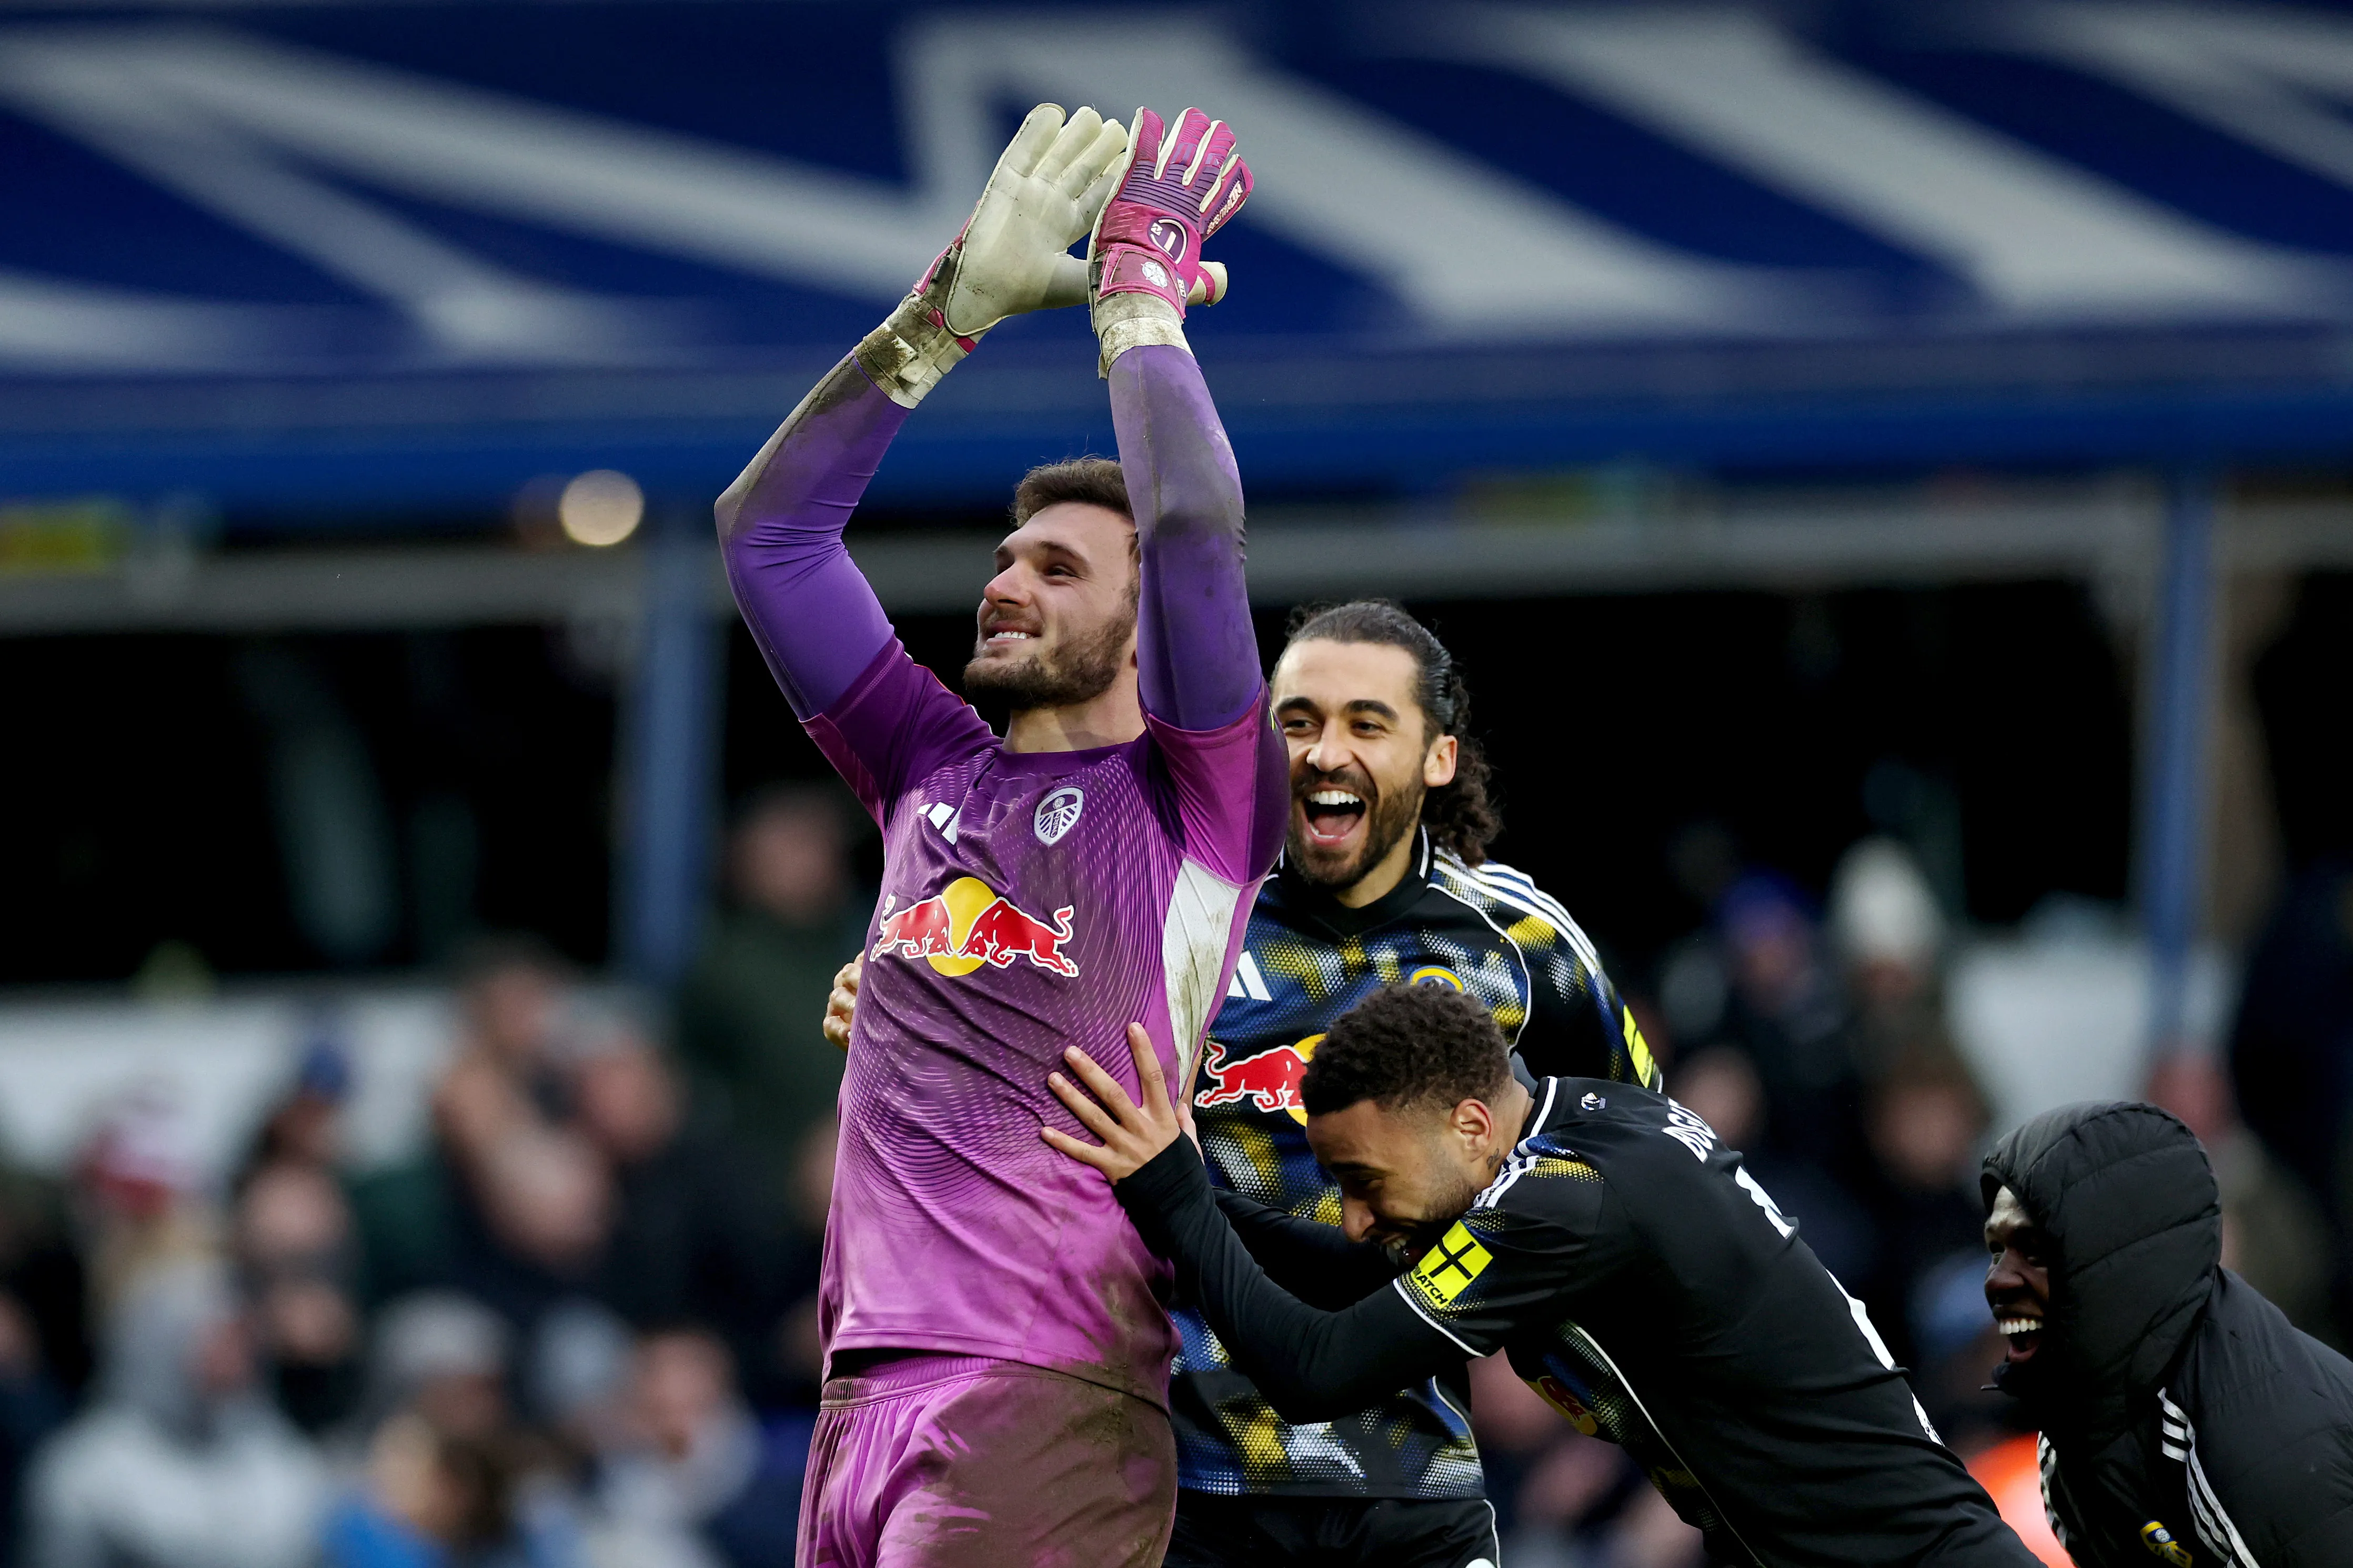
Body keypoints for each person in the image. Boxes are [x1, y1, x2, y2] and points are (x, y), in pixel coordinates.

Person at [716, 101, 1284, 1565]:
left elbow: (1198, 531)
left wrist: (1139, 302)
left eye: (1058, 564)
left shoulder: (1199, 798)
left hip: (1044, 1383)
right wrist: (946, 312)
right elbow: (767, 534)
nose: (1007, 583)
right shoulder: (925, 767)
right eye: (1003, 558)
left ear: (1143, 618)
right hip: (858, 1390)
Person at [823, 600, 1661, 1567]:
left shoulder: (1523, 945)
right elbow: (1004, 1053)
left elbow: (1637, 1176)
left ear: (1438, 758)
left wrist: (1597, 1392)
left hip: (1411, 1479)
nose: (1322, 752)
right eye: (1296, 722)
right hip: (1176, 1481)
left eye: (1365, 723)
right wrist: (903, 1007)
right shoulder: (1167, 908)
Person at [1045, 984, 2042, 1567]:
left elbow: (1320, 1365)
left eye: (1361, 1180)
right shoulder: (1579, 1129)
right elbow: (1357, 1269)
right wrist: (1187, 1198)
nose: (1352, 1213)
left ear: (1467, 1126)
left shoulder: (1564, 1201)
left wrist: (1175, 1194)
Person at [1982, 1101, 2353, 1566]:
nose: (1996, 1280)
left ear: (2117, 1261)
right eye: (1996, 1250)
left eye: (2034, 1251)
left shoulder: (2257, 1443)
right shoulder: (2073, 1437)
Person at [23, 1259, 329, 1568]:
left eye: (241, 1339)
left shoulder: (282, 1457)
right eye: (218, 1337)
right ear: (160, 1343)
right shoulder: (84, 1471)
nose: (236, 1356)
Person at [675, 786, 864, 1174]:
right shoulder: (726, 965)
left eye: (817, 844)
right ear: (748, 858)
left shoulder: (876, 943)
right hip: (781, 1182)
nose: (809, 860)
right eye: (793, 845)